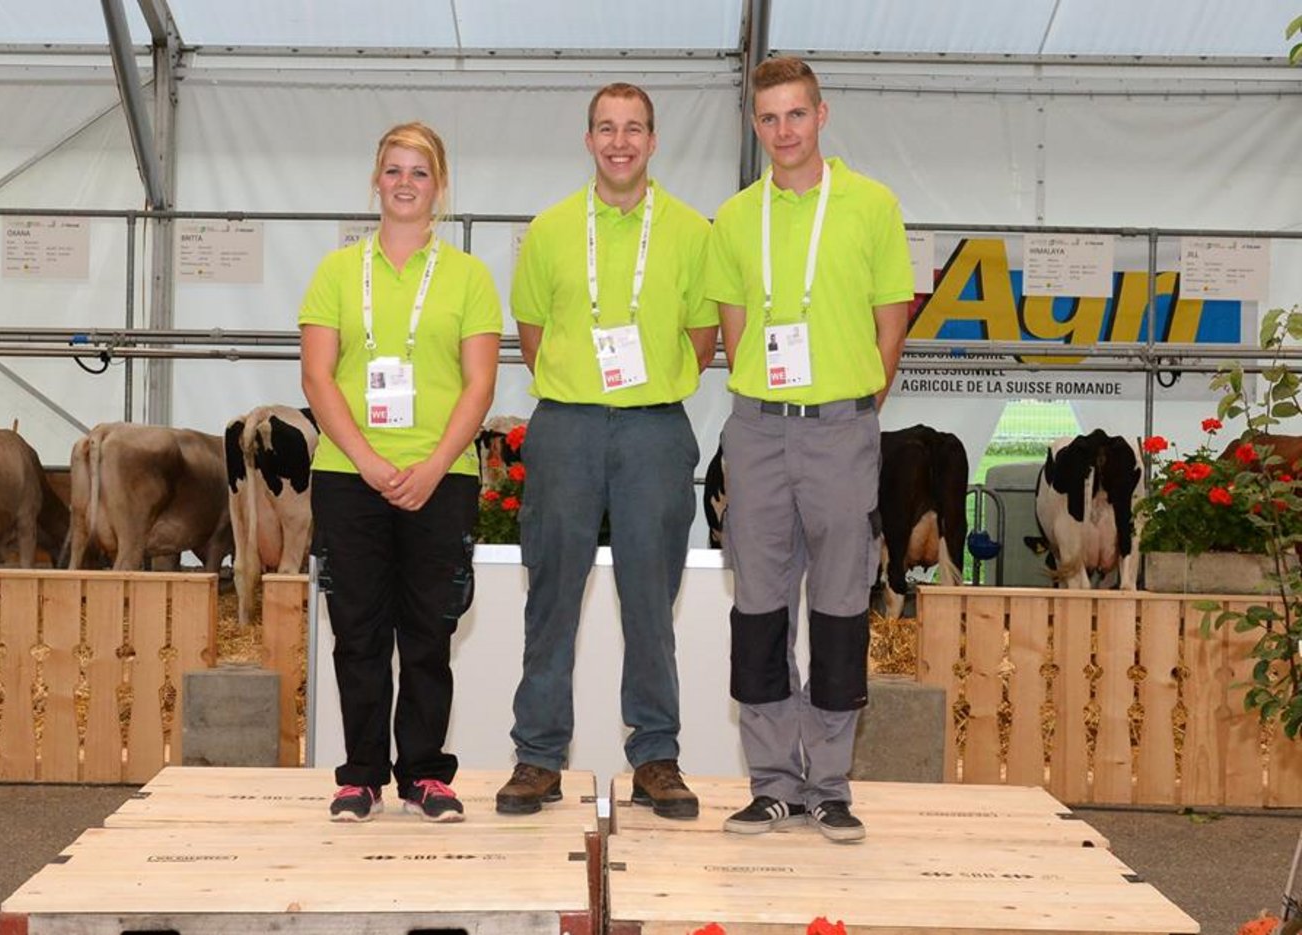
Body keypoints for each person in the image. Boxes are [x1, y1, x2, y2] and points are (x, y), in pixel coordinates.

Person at [495, 83, 718, 819]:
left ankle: (656, 754)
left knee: (650, 599)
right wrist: (580, 388)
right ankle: (537, 756)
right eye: (606, 129)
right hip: (566, 426)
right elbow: (532, 335)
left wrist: (646, 387)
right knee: (551, 592)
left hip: (655, 429)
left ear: (654, 141)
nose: (619, 142)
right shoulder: (550, 230)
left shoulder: (691, 231)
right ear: (588, 140)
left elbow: (703, 336)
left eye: (634, 129)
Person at [706, 57, 913, 842]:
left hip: (841, 429)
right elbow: (733, 333)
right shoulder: (735, 217)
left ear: (822, 116)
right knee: (757, 605)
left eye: (796, 114)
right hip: (757, 427)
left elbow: (891, 320)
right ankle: (772, 783)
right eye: (769, 118)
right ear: (755, 126)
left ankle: (829, 784)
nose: (783, 130)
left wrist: (856, 405)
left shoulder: (871, 206)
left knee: (836, 605)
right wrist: (772, 397)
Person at [300, 122, 502, 823]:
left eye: (419, 172)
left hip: (440, 479)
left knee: (427, 630)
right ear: (376, 181)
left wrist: (432, 465)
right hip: (349, 475)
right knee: (358, 631)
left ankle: (424, 772)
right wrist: (372, 463)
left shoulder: (470, 277)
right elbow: (318, 377)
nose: (406, 183)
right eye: (394, 170)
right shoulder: (334, 272)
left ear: (439, 187)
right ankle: (360, 773)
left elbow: (480, 385)